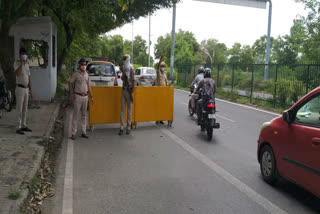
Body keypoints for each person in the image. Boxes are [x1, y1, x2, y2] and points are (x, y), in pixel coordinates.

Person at [69, 58, 94, 140]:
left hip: (85, 96)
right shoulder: (76, 74)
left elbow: (89, 86)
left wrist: (91, 97)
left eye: (85, 65)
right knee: (75, 115)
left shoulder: (87, 74)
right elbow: (70, 83)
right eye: (82, 65)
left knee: (84, 115)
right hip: (78, 96)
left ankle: (83, 132)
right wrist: (72, 93)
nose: (84, 66)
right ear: (80, 65)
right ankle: (73, 133)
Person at [14, 48, 32, 135]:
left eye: (25, 54)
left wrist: (31, 90)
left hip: (26, 89)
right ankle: (18, 127)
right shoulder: (16, 63)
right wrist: (21, 63)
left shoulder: (27, 64)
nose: (24, 55)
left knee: (25, 108)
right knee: (19, 108)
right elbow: (17, 73)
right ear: (20, 55)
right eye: (23, 54)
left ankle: (24, 125)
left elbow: (29, 77)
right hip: (20, 88)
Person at [119, 54, 135, 135]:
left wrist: (132, 92)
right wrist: (123, 76)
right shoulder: (124, 68)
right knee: (122, 110)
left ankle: (128, 127)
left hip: (129, 91)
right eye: (123, 58)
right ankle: (121, 127)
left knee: (129, 110)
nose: (124, 59)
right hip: (123, 90)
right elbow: (122, 78)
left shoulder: (131, 68)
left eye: (125, 58)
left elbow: (134, 81)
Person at [154, 54, 169, 124]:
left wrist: (168, 85)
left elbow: (166, 82)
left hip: (164, 92)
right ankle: (157, 119)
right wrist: (160, 58)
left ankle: (161, 119)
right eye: (161, 66)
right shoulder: (158, 72)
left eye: (163, 66)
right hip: (158, 92)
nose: (163, 67)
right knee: (158, 106)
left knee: (162, 106)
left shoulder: (165, 74)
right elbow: (158, 66)